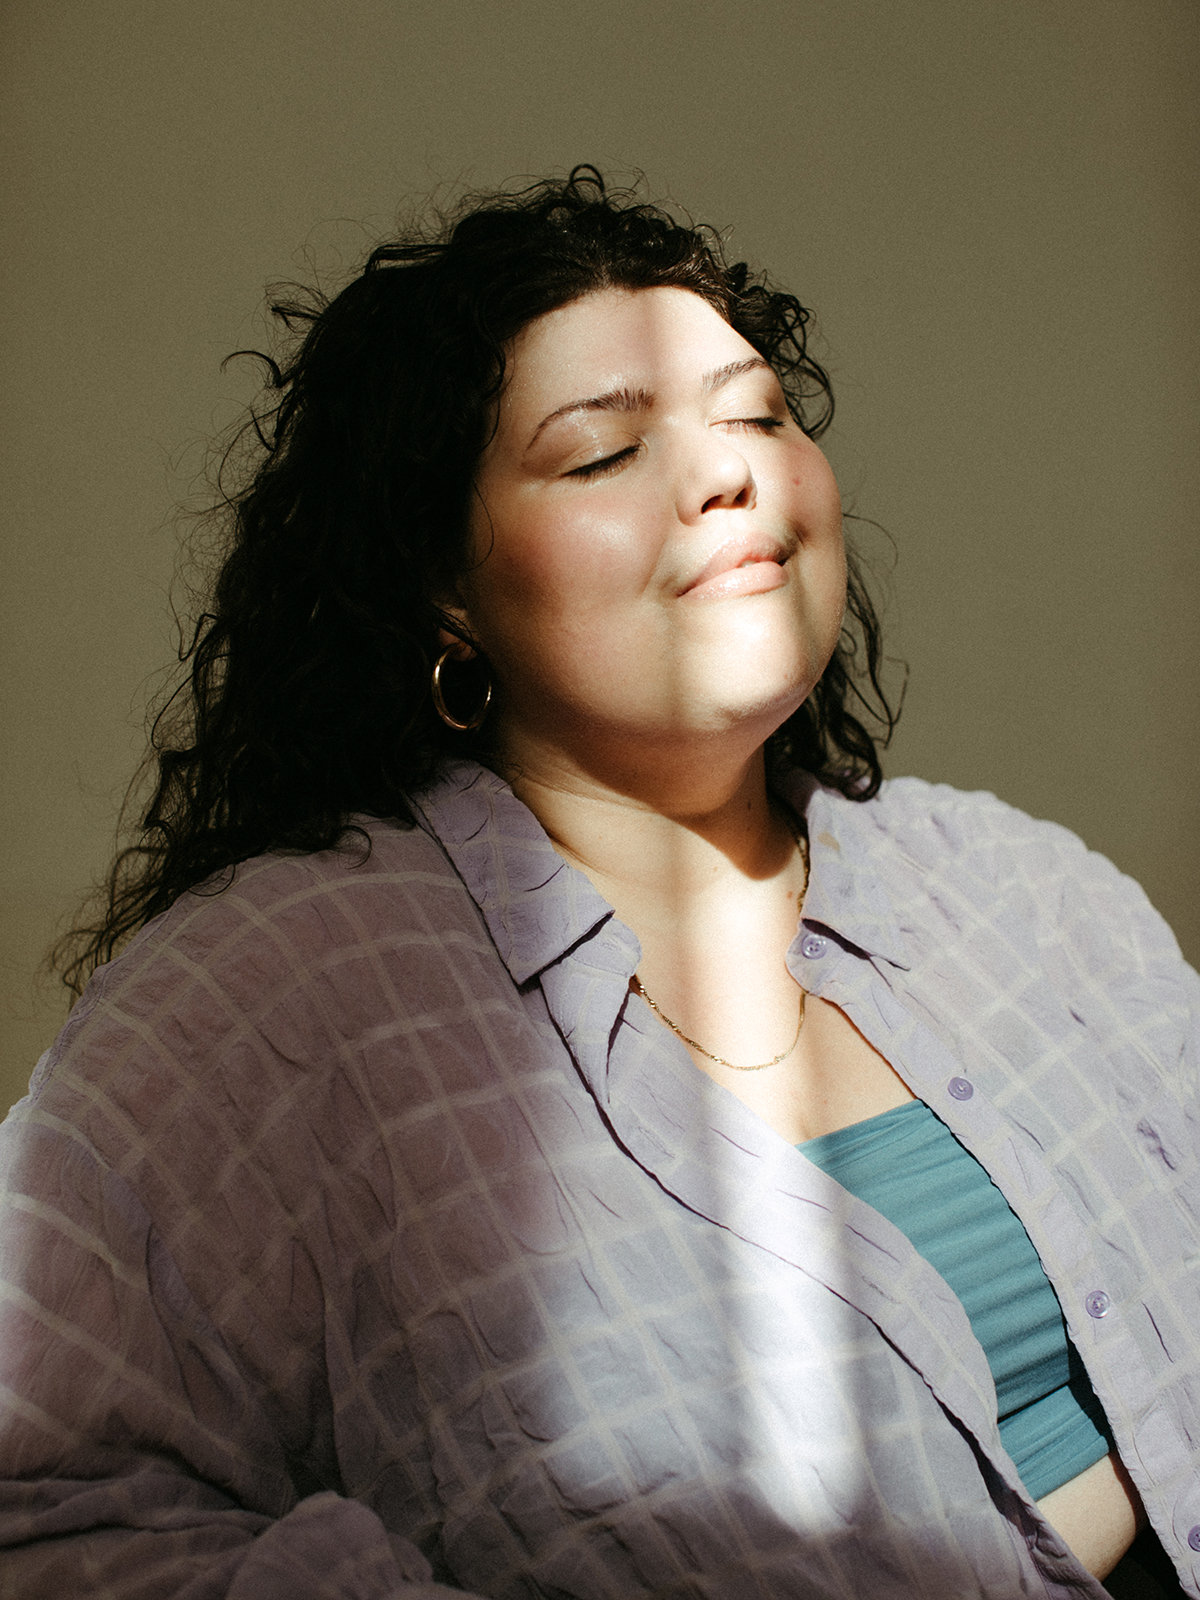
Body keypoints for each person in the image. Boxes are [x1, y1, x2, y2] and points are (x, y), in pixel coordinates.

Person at [0, 168, 1195, 1600]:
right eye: (602, 454)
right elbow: (46, 1515)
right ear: (445, 586)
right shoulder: (270, 998)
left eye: (756, 415)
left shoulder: (1023, 885)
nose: (726, 474)